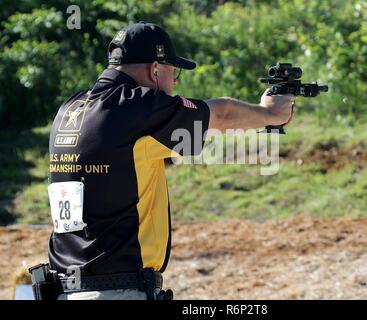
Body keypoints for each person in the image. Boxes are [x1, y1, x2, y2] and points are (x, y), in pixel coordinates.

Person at [43, 22, 294, 300]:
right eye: (173, 73)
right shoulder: (137, 105)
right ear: (154, 69)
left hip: (64, 288)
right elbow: (220, 115)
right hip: (116, 290)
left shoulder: (69, 109)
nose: (174, 83)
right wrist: (270, 113)